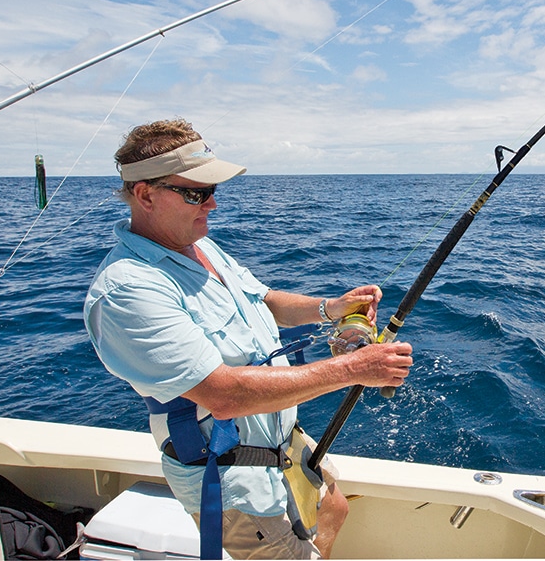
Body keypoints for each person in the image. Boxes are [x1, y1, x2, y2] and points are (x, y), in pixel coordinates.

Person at [84, 119, 413, 559]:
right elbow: (224, 396)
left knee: (333, 507)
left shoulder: (198, 245)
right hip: (230, 472)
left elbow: (264, 299)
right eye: (196, 193)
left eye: (212, 189)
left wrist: (329, 307)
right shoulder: (128, 291)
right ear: (145, 194)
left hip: (280, 438)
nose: (213, 204)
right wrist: (355, 368)